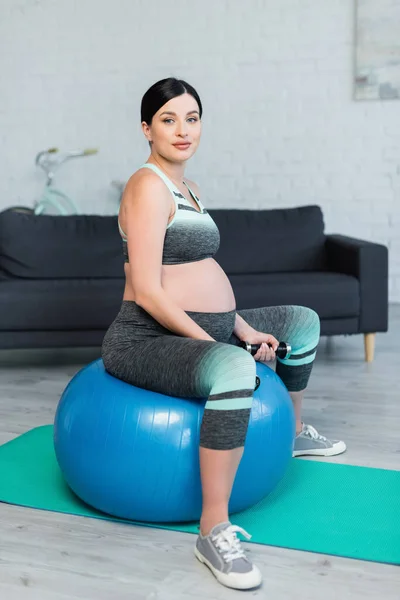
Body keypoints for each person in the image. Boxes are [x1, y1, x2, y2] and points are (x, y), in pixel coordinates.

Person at [102, 77, 346, 591]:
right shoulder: (146, 185)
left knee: (302, 322)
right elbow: (147, 290)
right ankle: (212, 530)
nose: (182, 129)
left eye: (192, 117)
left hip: (207, 328)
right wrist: (214, 344)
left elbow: (201, 274)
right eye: (168, 119)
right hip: (147, 338)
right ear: (147, 129)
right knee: (236, 366)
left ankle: (291, 434)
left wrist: (243, 326)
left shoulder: (188, 187)